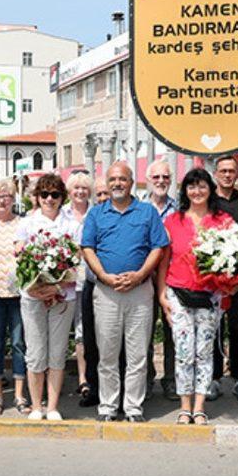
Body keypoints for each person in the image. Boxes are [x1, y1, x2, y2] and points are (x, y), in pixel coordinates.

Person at [81, 162, 169, 422]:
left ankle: (133, 407)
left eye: (123, 179)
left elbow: (158, 248)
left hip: (140, 292)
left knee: (138, 354)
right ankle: (108, 406)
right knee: (106, 353)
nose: (117, 184)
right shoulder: (96, 214)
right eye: (113, 179)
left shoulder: (147, 212)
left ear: (132, 182)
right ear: (107, 184)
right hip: (106, 292)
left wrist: (141, 274)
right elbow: (87, 248)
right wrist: (104, 276)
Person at [157, 168, 232, 425]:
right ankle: (184, 405)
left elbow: (234, 260)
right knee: (183, 352)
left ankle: (199, 406)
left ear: (210, 189)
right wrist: (161, 295)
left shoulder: (223, 221)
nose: (196, 192)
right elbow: (164, 261)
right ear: (185, 191)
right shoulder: (173, 221)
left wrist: (230, 286)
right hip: (178, 293)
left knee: (204, 352)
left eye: (201, 186)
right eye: (191, 186)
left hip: (210, 297)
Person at [15, 174, 81, 421]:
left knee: (57, 352)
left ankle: (52, 406)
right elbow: (21, 262)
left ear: (62, 197)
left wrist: (56, 287)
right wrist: (36, 287)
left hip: (63, 296)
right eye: (45, 194)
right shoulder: (27, 223)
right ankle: (35, 406)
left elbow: (78, 263)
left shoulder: (72, 224)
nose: (50, 199)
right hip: (33, 297)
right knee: (35, 352)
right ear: (37, 197)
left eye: (55, 194)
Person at [0, 179, 28, 416]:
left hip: (19, 296)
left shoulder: (23, 224)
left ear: (13, 199)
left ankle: (20, 395)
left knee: (20, 344)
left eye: (7, 195)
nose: (2, 200)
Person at [212, 155, 238, 401]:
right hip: (213, 280)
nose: (227, 175)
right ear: (216, 173)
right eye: (223, 171)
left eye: (231, 171)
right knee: (215, 329)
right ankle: (215, 378)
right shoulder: (209, 201)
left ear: (237, 174)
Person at [144, 160, 179, 401]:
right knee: (143, 332)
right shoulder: (139, 208)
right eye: (156, 177)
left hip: (172, 280)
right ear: (148, 179)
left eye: (165, 177)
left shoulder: (179, 210)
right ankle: (146, 380)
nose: (160, 181)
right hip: (144, 280)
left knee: (172, 332)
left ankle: (171, 381)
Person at [76, 177, 112, 408]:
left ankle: (114, 392)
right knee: (91, 341)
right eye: (98, 194)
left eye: (105, 193)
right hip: (93, 284)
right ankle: (94, 388)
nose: (102, 198)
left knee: (112, 343)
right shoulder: (92, 216)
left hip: (115, 286)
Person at [64, 172, 93, 401]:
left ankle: (84, 377)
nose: (80, 192)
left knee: (84, 330)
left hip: (89, 279)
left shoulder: (96, 213)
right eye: (76, 188)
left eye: (84, 188)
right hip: (64, 281)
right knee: (63, 329)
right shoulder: (61, 214)